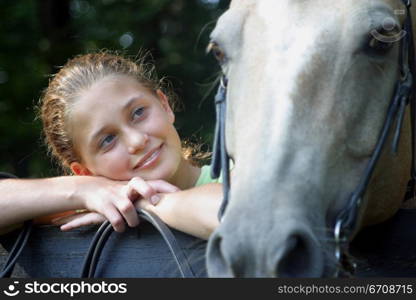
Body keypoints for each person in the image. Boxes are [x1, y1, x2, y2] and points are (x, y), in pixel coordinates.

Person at [0, 51, 222, 240]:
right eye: (107, 140)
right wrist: (82, 189)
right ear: (85, 171)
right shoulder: (88, 205)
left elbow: (234, 215)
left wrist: (146, 203)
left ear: (165, 106)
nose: (136, 141)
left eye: (138, 113)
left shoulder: (238, 173)